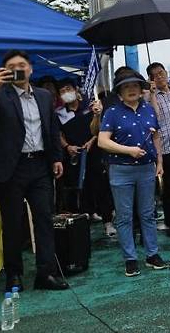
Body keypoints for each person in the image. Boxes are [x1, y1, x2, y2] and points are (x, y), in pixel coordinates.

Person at [0, 50, 68, 292]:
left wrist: (56, 158)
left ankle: (46, 274)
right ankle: (14, 275)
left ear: (30, 69)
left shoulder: (45, 96)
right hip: (10, 169)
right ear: (5, 71)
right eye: (12, 66)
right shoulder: (0, 96)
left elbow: (52, 128)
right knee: (13, 223)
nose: (19, 69)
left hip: (40, 165)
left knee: (44, 220)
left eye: (22, 65)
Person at [98, 71, 166, 277]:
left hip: (146, 168)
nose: (131, 90)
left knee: (148, 213)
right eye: (126, 87)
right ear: (119, 91)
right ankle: (130, 258)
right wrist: (129, 150)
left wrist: (160, 161)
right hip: (121, 170)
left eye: (135, 86)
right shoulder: (112, 112)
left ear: (140, 88)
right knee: (125, 216)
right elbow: (102, 141)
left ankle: (152, 254)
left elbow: (156, 137)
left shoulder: (148, 110)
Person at [56, 78, 115, 235]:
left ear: (76, 90)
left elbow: (100, 128)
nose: (65, 93)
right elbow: (58, 133)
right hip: (74, 157)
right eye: (62, 92)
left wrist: (91, 141)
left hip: (94, 153)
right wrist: (67, 147)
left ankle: (108, 221)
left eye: (68, 89)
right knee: (81, 189)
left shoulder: (90, 107)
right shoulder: (60, 113)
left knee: (101, 187)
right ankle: (85, 219)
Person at [146, 62, 170, 237]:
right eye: (155, 75)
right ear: (150, 79)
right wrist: (152, 95)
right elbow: (156, 117)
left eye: (161, 73)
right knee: (168, 189)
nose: (160, 77)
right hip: (165, 150)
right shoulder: (150, 98)